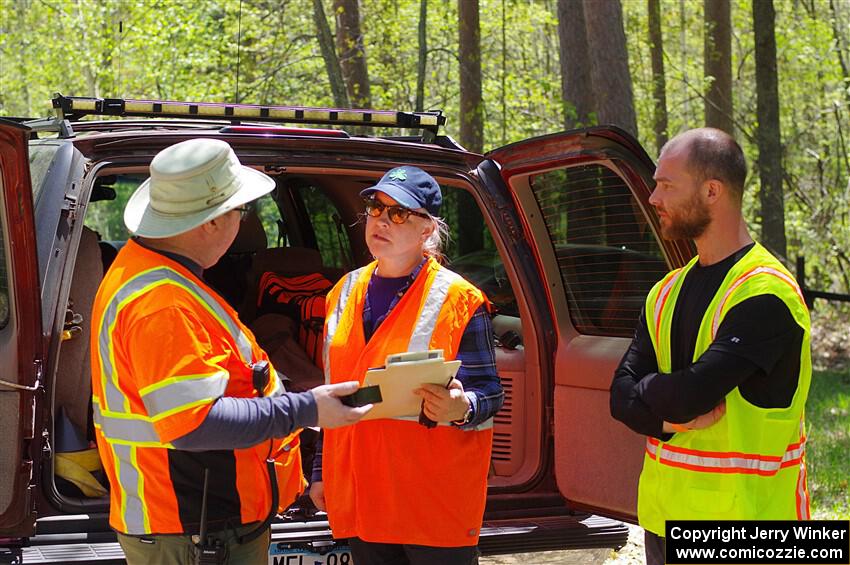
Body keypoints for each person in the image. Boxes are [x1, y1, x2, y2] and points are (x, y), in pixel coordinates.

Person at [90, 138, 371, 565]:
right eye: (242, 210)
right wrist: (305, 410)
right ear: (210, 223)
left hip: (198, 524)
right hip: (190, 531)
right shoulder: (163, 303)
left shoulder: (160, 275)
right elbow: (194, 425)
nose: (245, 220)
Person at [609, 128, 812, 565]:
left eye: (666, 185)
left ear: (712, 191)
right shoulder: (664, 292)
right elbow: (618, 399)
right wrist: (658, 400)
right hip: (663, 523)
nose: (652, 197)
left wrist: (649, 398)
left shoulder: (765, 293)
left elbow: (689, 397)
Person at [309, 166, 504, 565]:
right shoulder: (342, 293)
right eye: (376, 208)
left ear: (426, 230)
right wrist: (319, 470)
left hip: (432, 502)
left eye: (398, 213)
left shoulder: (458, 298)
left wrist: (461, 407)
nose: (381, 220)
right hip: (364, 496)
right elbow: (335, 393)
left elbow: (490, 392)